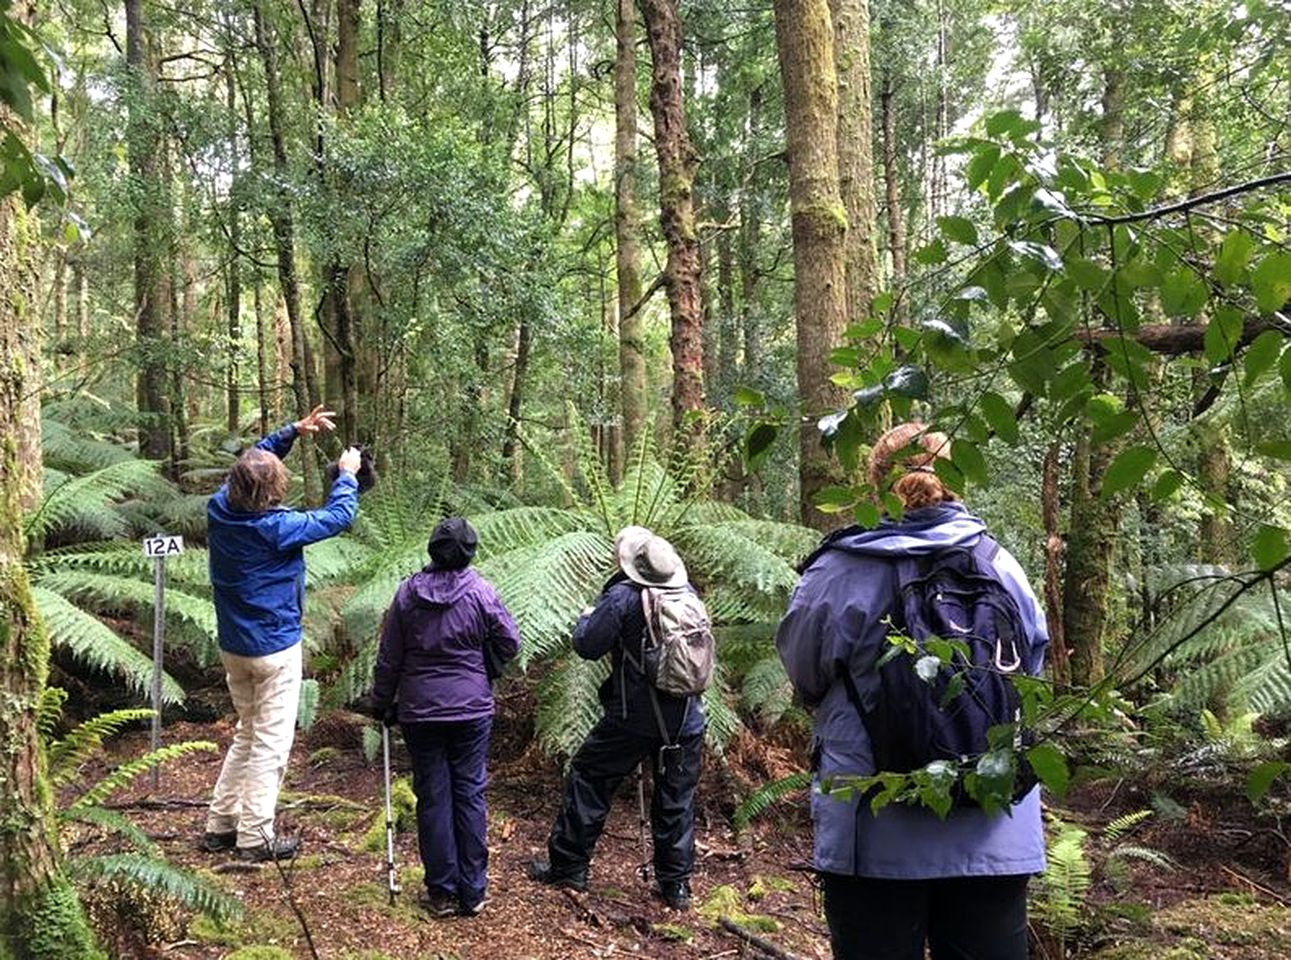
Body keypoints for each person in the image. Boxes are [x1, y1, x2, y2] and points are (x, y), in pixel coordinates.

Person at [775, 422, 1048, 960]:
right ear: (953, 476)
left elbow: (803, 670)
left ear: (874, 482)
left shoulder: (841, 568)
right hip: (991, 826)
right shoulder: (1000, 564)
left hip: (874, 828)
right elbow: (1030, 672)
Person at [202, 406, 361, 862]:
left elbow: (251, 460)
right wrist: (347, 475)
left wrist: (293, 431)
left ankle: (221, 824)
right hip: (274, 649)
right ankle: (255, 837)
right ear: (271, 491)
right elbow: (336, 517)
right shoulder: (277, 528)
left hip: (235, 645)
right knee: (270, 742)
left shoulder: (219, 508)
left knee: (247, 734)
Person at [528, 527, 705, 911]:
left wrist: (585, 618)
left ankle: (569, 865)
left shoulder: (623, 596)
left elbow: (588, 645)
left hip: (633, 718)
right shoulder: (688, 594)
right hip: (688, 718)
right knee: (676, 797)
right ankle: (676, 887)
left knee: (590, 777)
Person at [368, 517, 520, 918]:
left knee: (433, 795)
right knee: (469, 792)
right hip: (471, 709)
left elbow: (390, 658)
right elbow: (510, 642)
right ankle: (473, 891)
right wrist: (483, 662)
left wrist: (381, 702)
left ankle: (442, 891)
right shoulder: (481, 592)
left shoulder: (406, 595)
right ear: (470, 551)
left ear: (432, 549)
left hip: (420, 711)